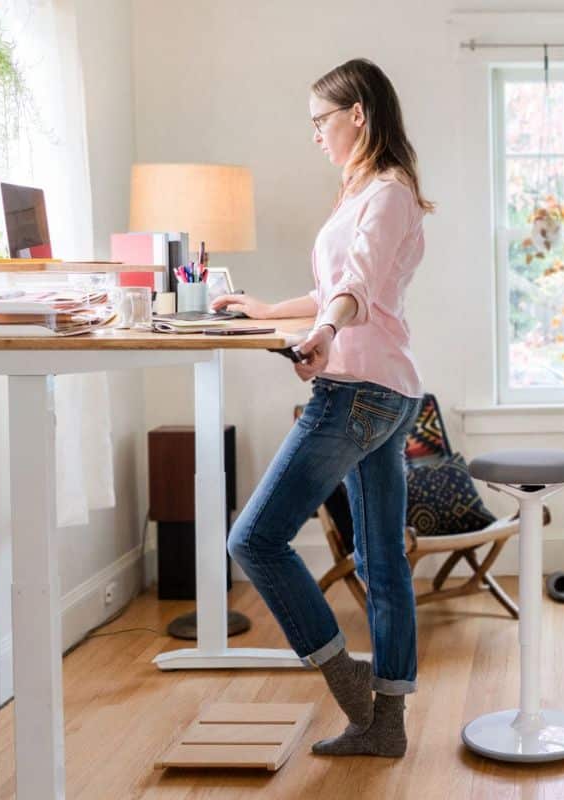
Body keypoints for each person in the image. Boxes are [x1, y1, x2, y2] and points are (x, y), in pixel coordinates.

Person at [211, 58, 433, 758]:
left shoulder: (387, 194)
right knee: (381, 563)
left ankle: (352, 690)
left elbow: (357, 289)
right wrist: (271, 310)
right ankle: (386, 728)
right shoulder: (366, 190)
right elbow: (339, 285)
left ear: (357, 115)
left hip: (361, 391)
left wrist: (327, 332)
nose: (315, 136)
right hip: (389, 392)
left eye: (321, 121)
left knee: (253, 539)